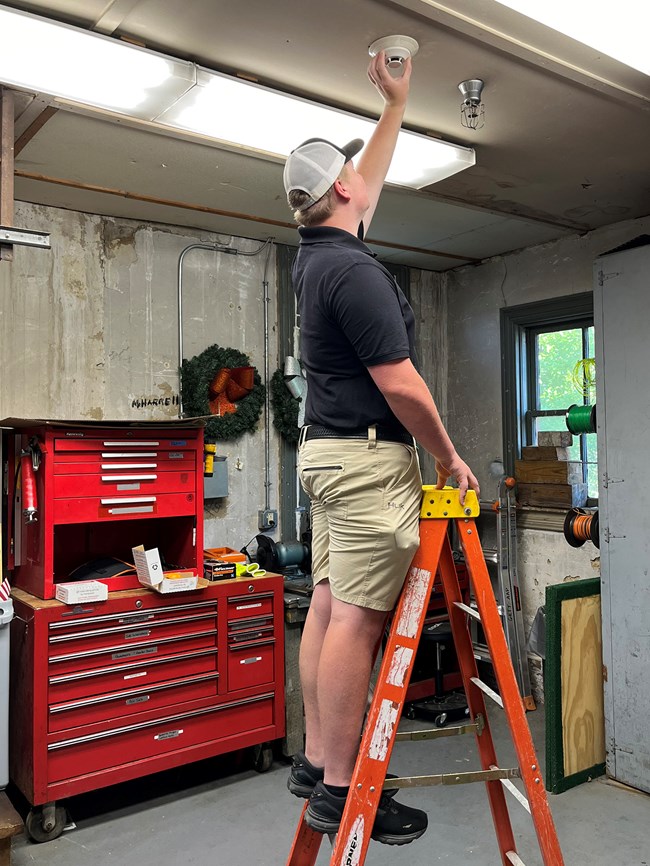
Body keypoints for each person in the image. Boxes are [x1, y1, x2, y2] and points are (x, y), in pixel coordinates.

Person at [282, 50, 480, 845]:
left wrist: (393, 105)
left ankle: (315, 761)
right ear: (342, 190)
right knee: (359, 623)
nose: (367, 175)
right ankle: (340, 785)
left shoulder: (319, 255)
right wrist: (448, 454)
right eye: (356, 170)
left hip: (328, 456)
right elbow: (401, 384)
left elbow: (371, 175)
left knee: (328, 609)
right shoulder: (355, 273)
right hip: (368, 460)